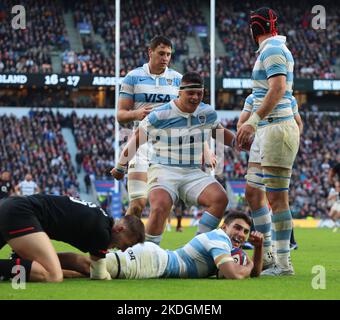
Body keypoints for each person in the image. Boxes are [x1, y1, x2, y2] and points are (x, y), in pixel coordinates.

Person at [111, 72, 236, 246]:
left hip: (192, 171)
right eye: (190, 93)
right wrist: (119, 167)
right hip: (163, 169)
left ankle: (197, 248)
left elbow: (222, 135)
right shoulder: (160, 114)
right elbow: (135, 141)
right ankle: (148, 254)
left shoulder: (207, 113)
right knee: (161, 205)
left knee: (220, 198)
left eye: (199, 94)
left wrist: (243, 143)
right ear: (180, 92)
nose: (195, 97)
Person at [236, 7, 300, 276]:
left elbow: (278, 89)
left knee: (277, 199)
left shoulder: (273, 50)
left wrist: (253, 120)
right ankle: (270, 254)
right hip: (267, 130)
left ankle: (283, 263)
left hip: (275, 128)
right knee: (253, 193)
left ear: (254, 29)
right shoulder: (268, 50)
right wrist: (247, 120)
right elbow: (261, 92)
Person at [57, 212, 264, 280]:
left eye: (245, 232)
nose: (241, 234)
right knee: (88, 265)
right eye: (237, 228)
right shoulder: (219, 239)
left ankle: (36, 268)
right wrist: (248, 266)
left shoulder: (223, 242)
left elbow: (253, 274)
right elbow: (232, 274)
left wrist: (258, 248)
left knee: (92, 273)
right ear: (224, 226)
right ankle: (31, 260)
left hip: (156, 261)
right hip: (153, 262)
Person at [0, 194, 144, 282]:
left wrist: (77, 272)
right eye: (126, 244)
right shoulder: (102, 233)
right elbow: (99, 274)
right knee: (53, 276)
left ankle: (19, 261)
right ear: (120, 229)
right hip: (20, 214)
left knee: (47, 266)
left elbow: (83, 263)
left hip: (11, 207)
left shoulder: (102, 220)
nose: (123, 250)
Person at [117, 35, 182, 218]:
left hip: (170, 148)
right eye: (161, 53)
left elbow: (191, 116)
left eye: (169, 54)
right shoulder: (133, 77)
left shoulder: (178, 80)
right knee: (137, 204)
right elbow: (120, 116)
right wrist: (136, 114)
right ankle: (124, 244)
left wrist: (206, 148)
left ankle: (152, 246)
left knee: (162, 205)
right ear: (150, 52)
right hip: (141, 144)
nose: (165, 58)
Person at [237, 94, 302, 255]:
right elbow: (241, 122)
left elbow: (298, 123)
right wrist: (245, 137)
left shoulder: (288, 98)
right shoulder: (252, 98)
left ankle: (282, 256)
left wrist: (293, 142)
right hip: (259, 144)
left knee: (276, 198)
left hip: (279, 141)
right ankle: (266, 252)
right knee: (252, 194)